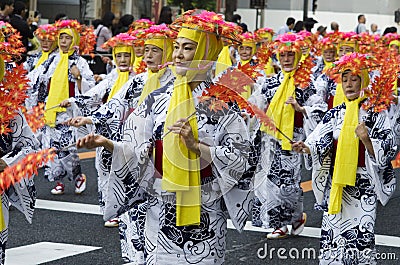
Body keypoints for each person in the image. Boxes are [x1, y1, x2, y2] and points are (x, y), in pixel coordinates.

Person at [76, 10, 253, 264]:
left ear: (206, 53)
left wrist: (197, 146)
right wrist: (109, 144)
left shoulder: (224, 103)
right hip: (159, 203)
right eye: (177, 47)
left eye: (188, 48)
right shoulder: (156, 98)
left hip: (205, 205)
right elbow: (136, 147)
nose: (178, 55)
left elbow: (241, 159)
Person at [66, 24, 176, 263]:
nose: (147, 56)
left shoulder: (178, 83)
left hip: (162, 159)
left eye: (154, 50)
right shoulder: (137, 82)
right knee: (133, 216)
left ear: (168, 52)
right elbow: (114, 105)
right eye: (145, 50)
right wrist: (91, 118)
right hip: (132, 154)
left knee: (161, 219)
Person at [292, 52, 397, 264]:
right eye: (345, 79)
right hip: (337, 185)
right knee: (333, 236)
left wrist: (367, 140)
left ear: (363, 81)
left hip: (363, 184)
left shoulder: (376, 113)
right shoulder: (335, 113)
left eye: (354, 79)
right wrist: (306, 148)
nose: (349, 84)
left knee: (360, 238)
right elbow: (317, 139)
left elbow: (389, 147)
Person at [250, 33, 326, 238]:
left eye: (290, 55)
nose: (286, 59)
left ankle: (296, 216)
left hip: (293, 139)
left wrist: (300, 108)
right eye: (282, 55)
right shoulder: (270, 82)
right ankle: (280, 224)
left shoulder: (306, 83)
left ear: (298, 56)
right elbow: (256, 105)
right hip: (270, 138)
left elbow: (320, 109)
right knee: (270, 181)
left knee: (289, 182)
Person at [32, 19, 95, 195]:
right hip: (51, 109)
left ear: (74, 40)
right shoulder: (52, 59)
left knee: (67, 147)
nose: (63, 42)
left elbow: (90, 88)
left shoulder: (80, 62)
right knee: (51, 147)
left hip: (69, 111)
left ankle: (77, 177)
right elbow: (38, 79)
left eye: (67, 38)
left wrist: (79, 78)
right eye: (61, 38)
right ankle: (59, 180)